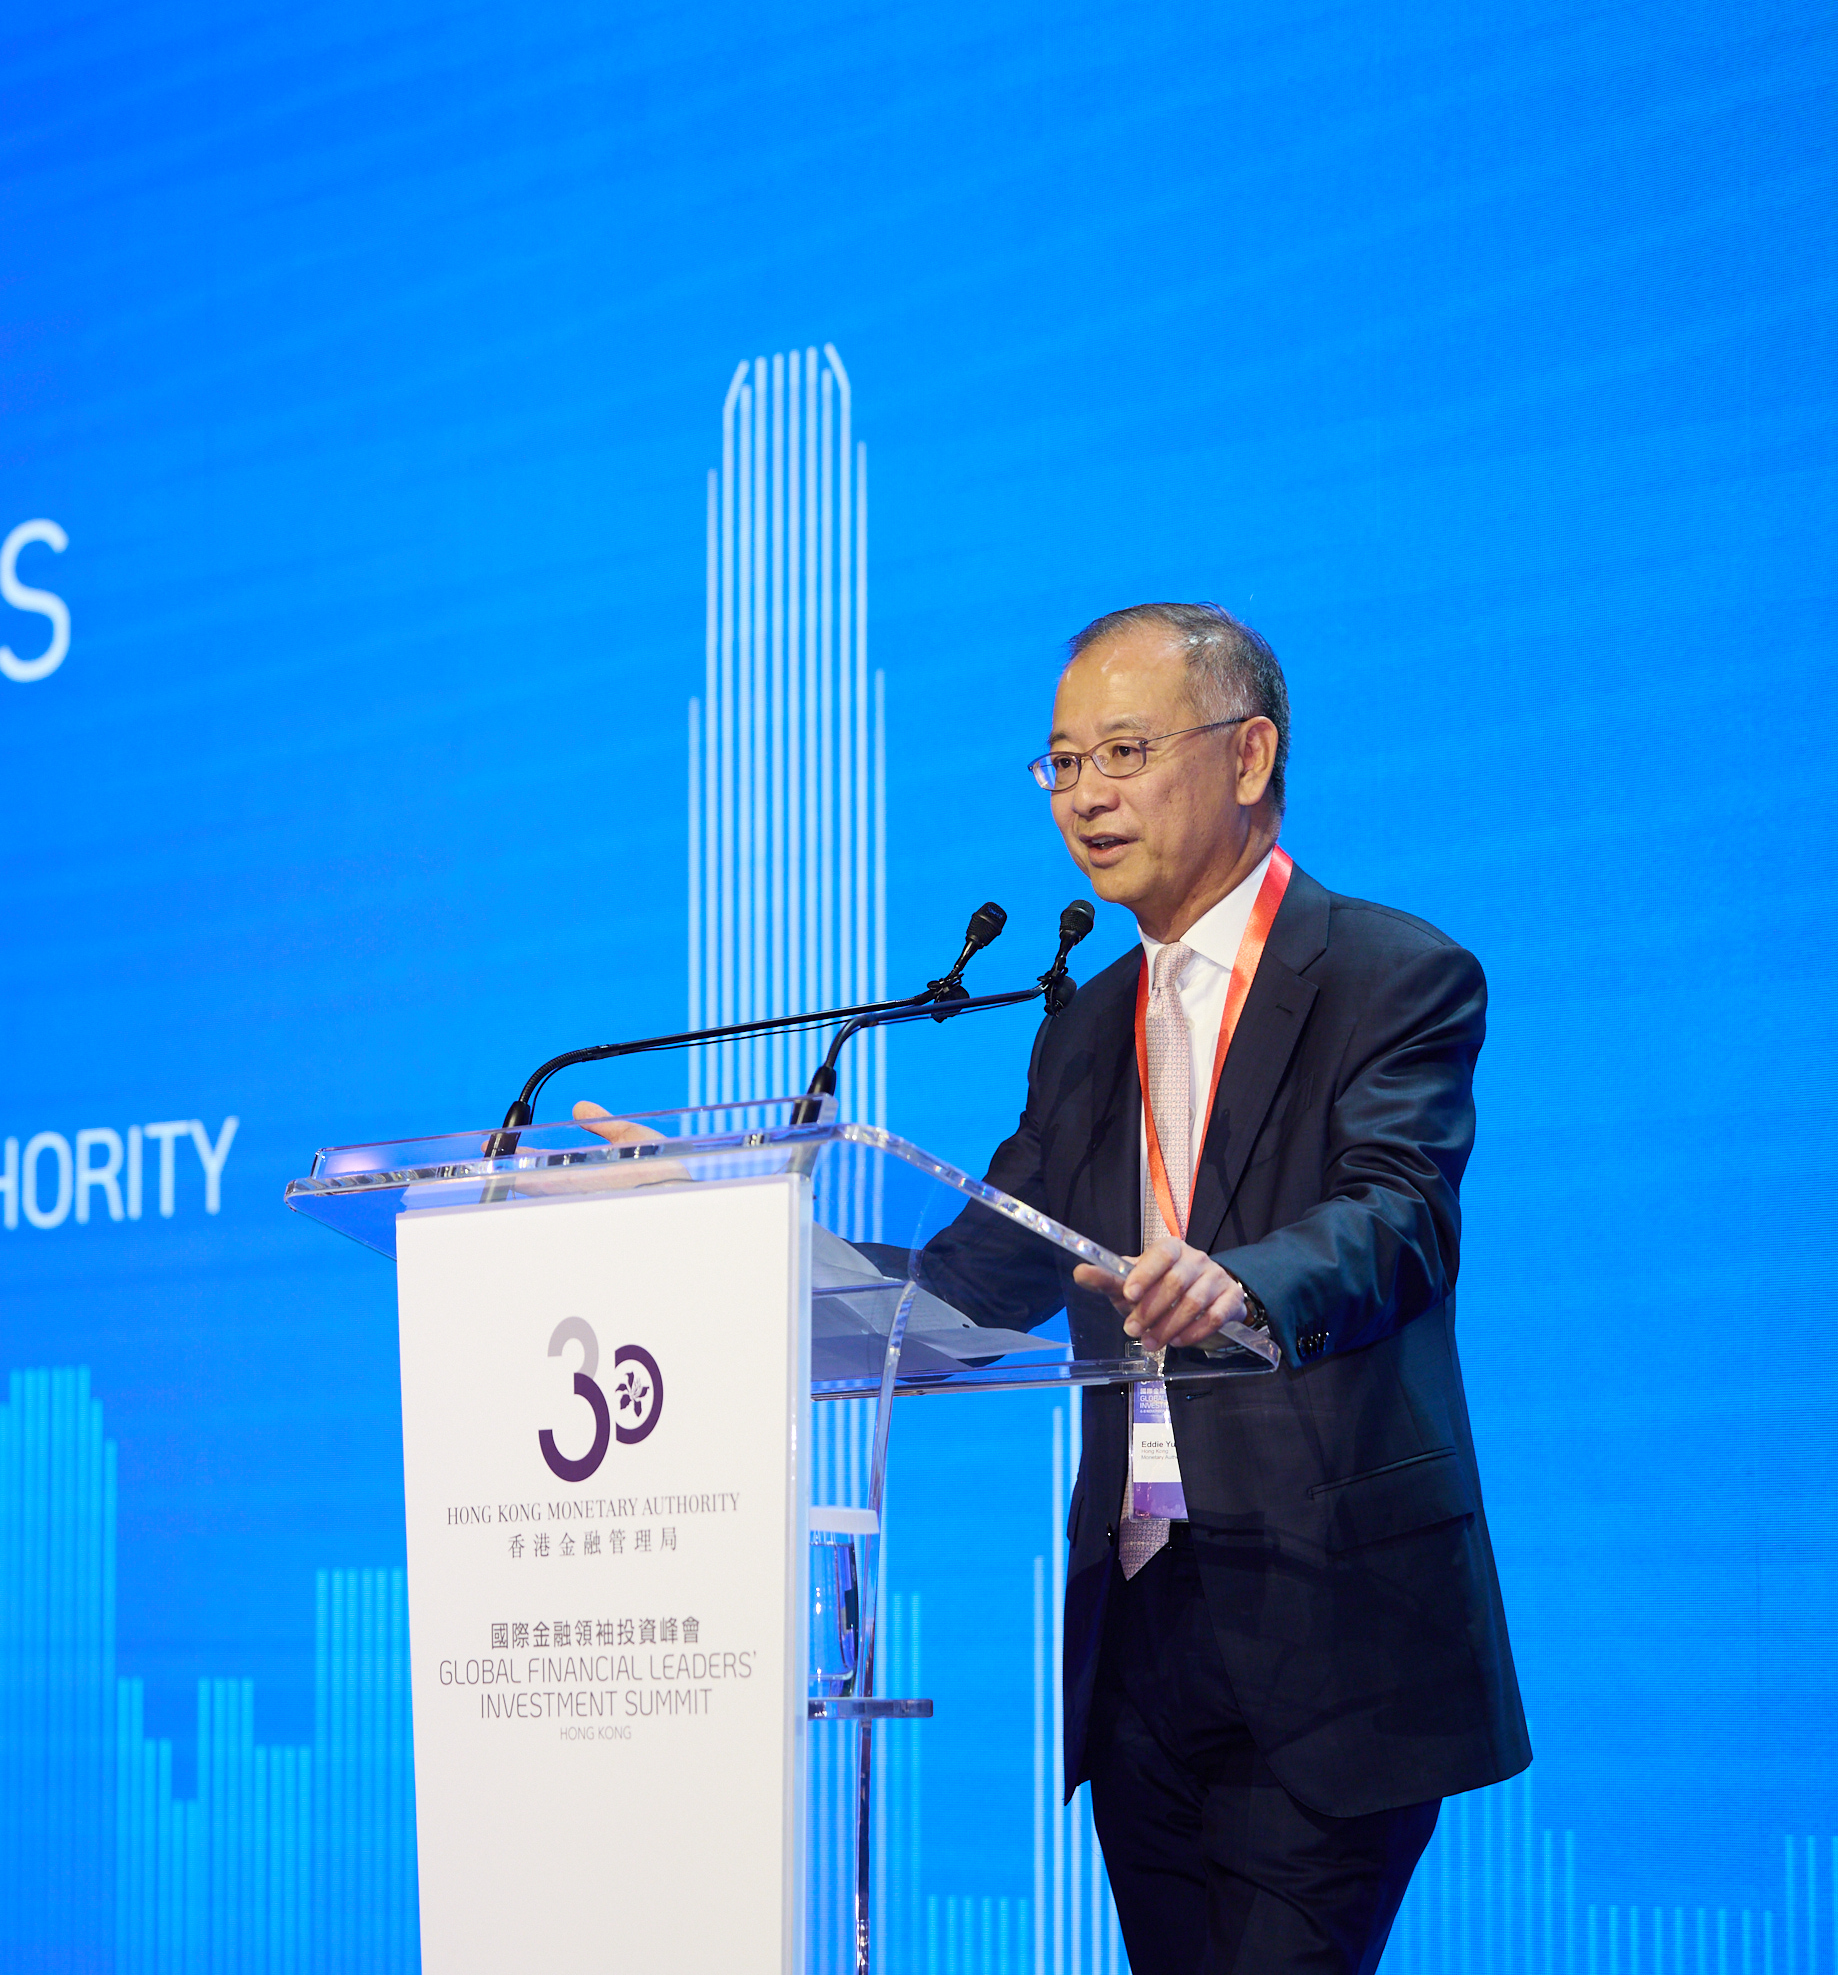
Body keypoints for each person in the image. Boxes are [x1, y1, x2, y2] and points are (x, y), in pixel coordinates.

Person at [591, 602, 1528, 1972]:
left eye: (1125, 752)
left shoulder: (1394, 975)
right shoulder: (1084, 1026)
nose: (1086, 795)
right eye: (1062, 763)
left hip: (1332, 1626)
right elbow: (975, 1281)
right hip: (1139, 1633)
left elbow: (1397, 1221)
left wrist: (1237, 1285)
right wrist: (712, 1233)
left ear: (1251, 755)